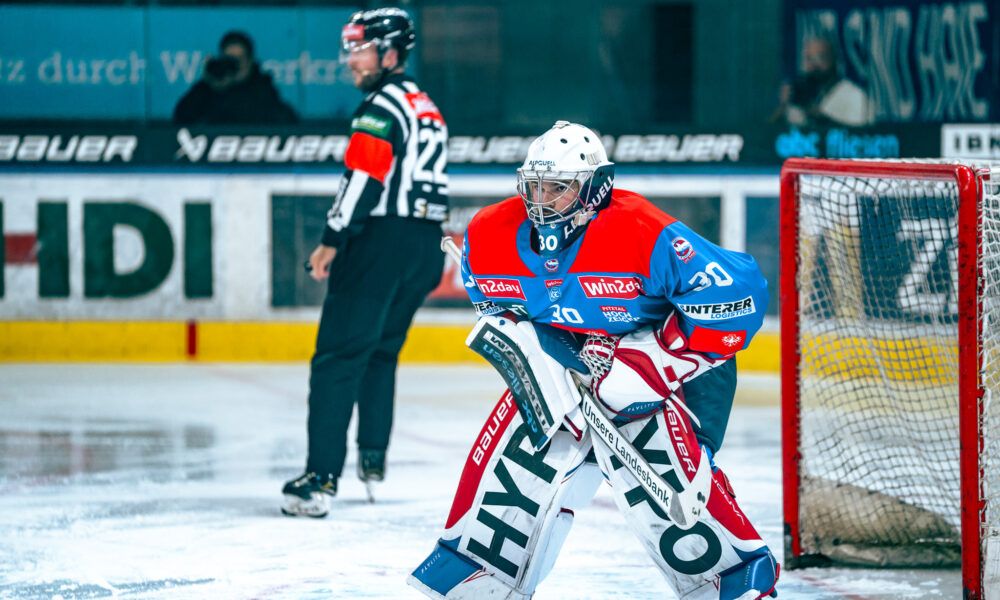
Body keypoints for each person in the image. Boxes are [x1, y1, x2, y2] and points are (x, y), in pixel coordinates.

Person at [407, 121, 779, 599]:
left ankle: (728, 577)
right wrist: (548, 359)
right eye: (534, 186)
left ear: (594, 190)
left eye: (557, 189)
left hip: (676, 373)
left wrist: (653, 359)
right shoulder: (491, 234)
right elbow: (506, 315)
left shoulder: (643, 232)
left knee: (669, 485)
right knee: (526, 445)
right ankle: (479, 570)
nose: (540, 200)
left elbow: (739, 295)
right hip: (574, 364)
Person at [281, 7, 449, 518]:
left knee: (337, 358)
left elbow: (363, 177)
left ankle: (319, 479)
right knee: (380, 352)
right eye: (349, 49)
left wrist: (332, 237)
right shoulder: (425, 105)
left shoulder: (381, 106)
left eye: (359, 49)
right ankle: (372, 458)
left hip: (381, 241)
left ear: (391, 53)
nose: (350, 60)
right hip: (424, 247)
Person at [173, 30, 297, 125]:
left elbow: (254, 116)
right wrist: (208, 85)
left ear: (249, 61)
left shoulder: (264, 90)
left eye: (239, 60)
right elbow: (181, 117)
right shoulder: (209, 89)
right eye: (229, 60)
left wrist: (228, 91)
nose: (234, 65)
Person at [771, 37, 872, 128]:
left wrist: (818, 117)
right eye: (809, 59)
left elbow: (861, 137)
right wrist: (783, 106)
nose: (814, 65)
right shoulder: (799, 94)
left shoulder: (855, 96)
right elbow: (768, 135)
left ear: (836, 60)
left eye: (821, 58)